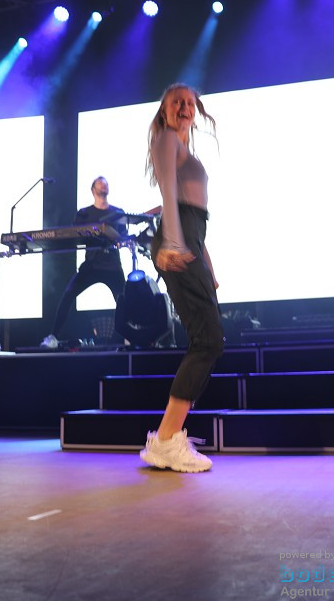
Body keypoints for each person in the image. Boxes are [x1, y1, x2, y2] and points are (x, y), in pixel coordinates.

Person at [139, 83, 223, 473]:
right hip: (179, 242)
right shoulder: (166, 139)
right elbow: (171, 197)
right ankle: (168, 439)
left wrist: (207, 263)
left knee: (209, 341)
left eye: (190, 102)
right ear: (164, 111)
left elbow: (194, 215)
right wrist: (170, 242)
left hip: (190, 240)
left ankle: (168, 438)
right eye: (177, 102)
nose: (185, 107)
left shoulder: (183, 147)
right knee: (207, 341)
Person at [40, 177, 128, 349]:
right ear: (93, 190)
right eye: (100, 183)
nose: (104, 185)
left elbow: (123, 238)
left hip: (112, 266)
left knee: (125, 301)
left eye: (106, 183)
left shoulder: (118, 213)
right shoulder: (84, 214)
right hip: (91, 266)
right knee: (68, 295)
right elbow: (74, 235)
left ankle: (130, 337)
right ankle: (53, 337)